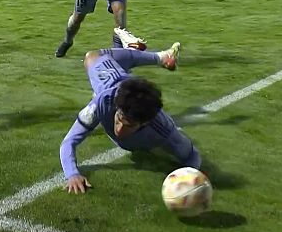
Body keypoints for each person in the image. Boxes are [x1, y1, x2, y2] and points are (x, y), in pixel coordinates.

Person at [61, 29, 201, 194]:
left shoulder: (163, 128)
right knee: (90, 56)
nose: (119, 129)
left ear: (145, 122)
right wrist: (72, 174)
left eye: (129, 125)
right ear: (116, 107)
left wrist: (190, 178)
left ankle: (132, 50)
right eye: (119, 118)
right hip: (106, 73)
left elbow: (192, 155)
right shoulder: (101, 103)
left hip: (120, 84)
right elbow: (68, 142)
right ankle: (160, 57)